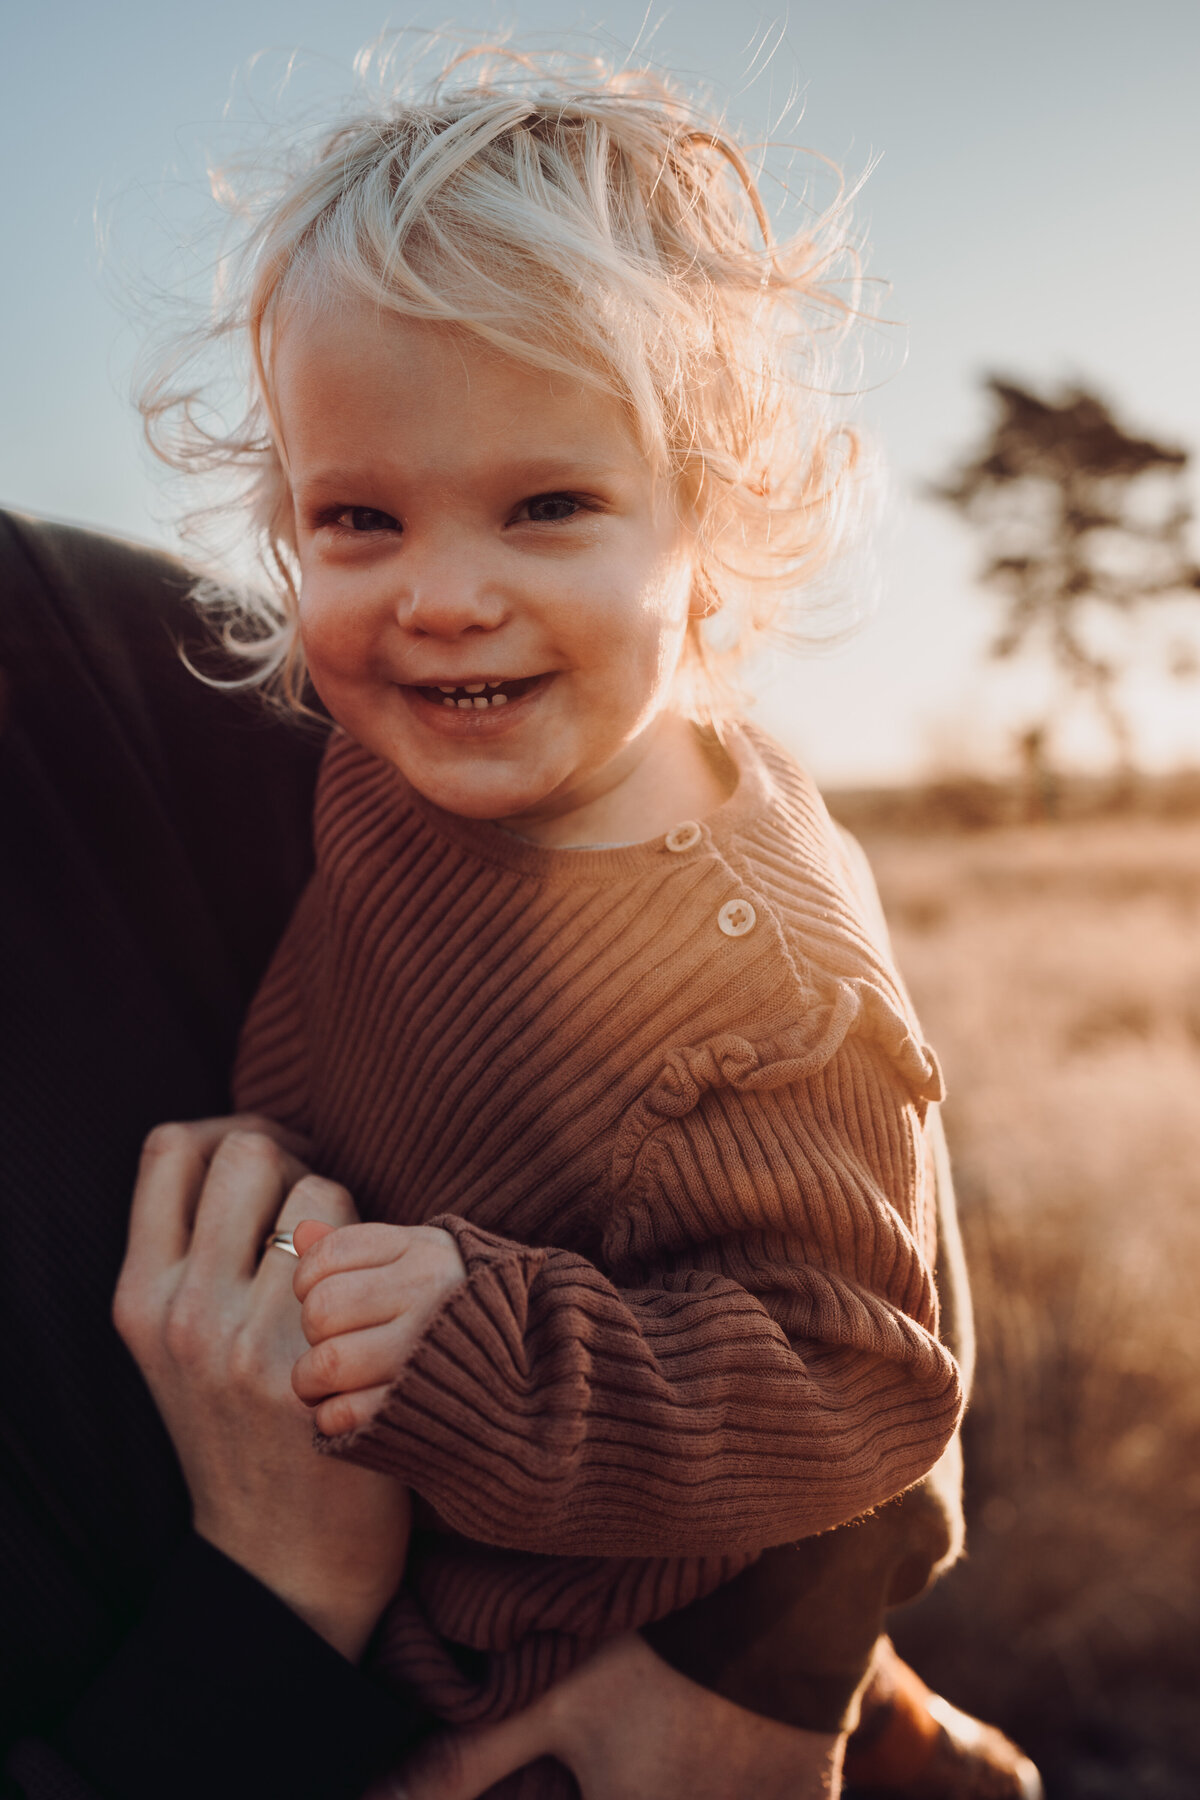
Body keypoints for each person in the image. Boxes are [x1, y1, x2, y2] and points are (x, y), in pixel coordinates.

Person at [112, 46, 1015, 1800]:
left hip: (561, 1680)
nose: (444, 597)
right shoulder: (396, 762)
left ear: (714, 515)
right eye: (358, 519)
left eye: (547, 506)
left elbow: (860, 1377)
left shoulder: (771, 988)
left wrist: (489, 1346)